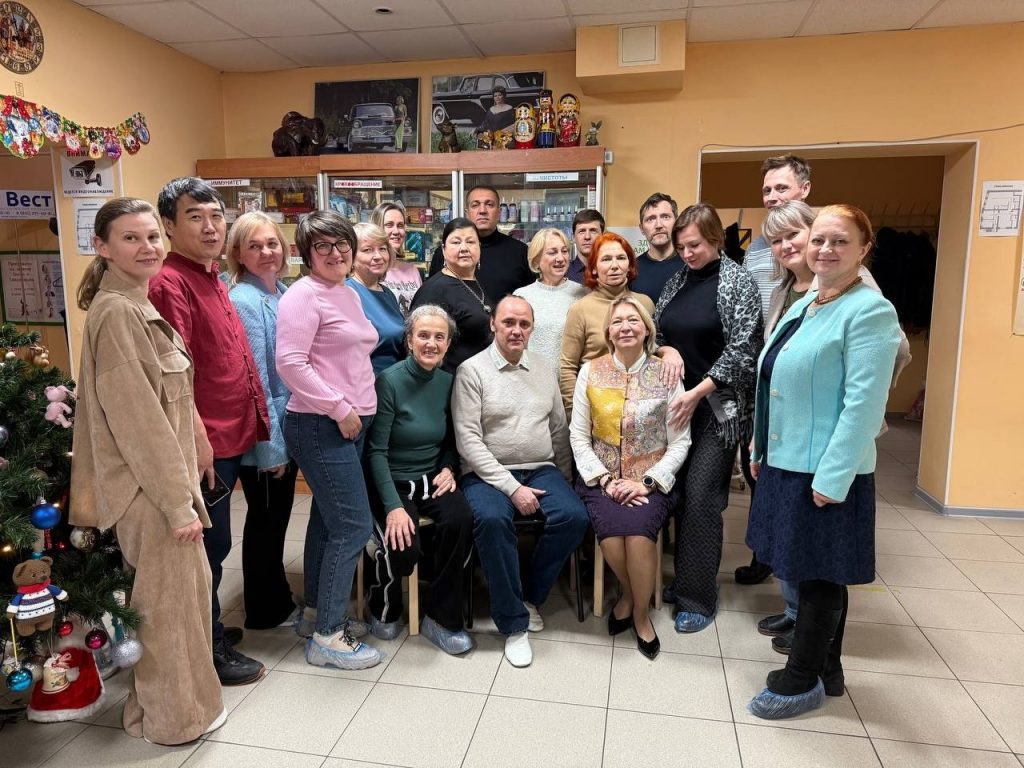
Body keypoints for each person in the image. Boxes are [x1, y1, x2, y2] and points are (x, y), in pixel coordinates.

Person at [70, 198, 226, 744]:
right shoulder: (117, 314)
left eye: (152, 237)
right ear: (103, 247)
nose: (147, 248)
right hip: (150, 493)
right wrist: (177, 505)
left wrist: (198, 449)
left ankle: (157, 711)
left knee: (180, 602)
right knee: (169, 614)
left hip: (166, 484)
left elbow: (170, 402)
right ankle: (174, 722)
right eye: (130, 238)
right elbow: (139, 422)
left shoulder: (136, 304)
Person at [745, 204, 902, 720]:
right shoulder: (808, 302)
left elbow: (864, 407)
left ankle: (801, 679)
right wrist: (760, 446)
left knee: (818, 577)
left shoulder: (869, 311)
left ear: (864, 249)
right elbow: (772, 379)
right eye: (819, 240)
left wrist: (834, 477)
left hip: (824, 469)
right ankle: (828, 670)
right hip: (786, 459)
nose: (825, 250)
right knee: (817, 570)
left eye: (840, 241)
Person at [149, 177, 269, 686]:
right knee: (208, 549)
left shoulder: (212, 276)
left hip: (230, 435)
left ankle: (209, 628)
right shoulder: (169, 283)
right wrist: (196, 439)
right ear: (169, 225)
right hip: (206, 442)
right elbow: (175, 375)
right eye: (194, 217)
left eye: (216, 216)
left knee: (217, 544)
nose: (210, 226)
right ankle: (208, 649)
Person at [453, 296, 589, 668]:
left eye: (524, 324)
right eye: (508, 322)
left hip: (540, 467)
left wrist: (564, 478)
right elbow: (468, 441)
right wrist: (512, 488)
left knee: (574, 516)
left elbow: (558, 429)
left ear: (532, 329)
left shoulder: (543, 369)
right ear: (493, 324)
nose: (516, 330)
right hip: (485, 472)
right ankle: (514, 625)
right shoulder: (471, 371)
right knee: (493, 520)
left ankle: (527, 595)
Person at [276, 210, 383, 670]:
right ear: (307, 254)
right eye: (323, 246)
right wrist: (339, 408)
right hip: (322, 424)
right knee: (354, 526)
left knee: (326, 520)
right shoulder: (303, 296)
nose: (336, 253)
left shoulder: (347, 292)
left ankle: (317, 613)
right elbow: (290, 363)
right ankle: (328, 637)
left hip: (349, 424)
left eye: (342, 244)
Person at [654, 203, 763, 634]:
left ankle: (698, 599)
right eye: (682, 246)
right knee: (680, 494)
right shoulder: (678, 280)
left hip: (718, 410)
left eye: (695, 245)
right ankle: (687, 579)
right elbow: (657, 331)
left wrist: (699, 391)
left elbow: (745, 348)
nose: (687, 253)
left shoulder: (738, 282)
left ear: (716, 238)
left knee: (702, 498)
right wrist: (668, 350)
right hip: (675, 408)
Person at [569, 296, 692, 659]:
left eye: (633, 320)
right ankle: (629, 593)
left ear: (647, 330)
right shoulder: (590, 371)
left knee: (638, 537)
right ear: (608, 332)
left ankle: (639, 613)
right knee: (611, 539)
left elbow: (680, 441)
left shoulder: (665, 373)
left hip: (650, 480)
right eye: (618, 321)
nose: (625, 327)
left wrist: (648, 482)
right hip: (601, 479)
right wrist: (606, 481)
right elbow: (578, 437)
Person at [365, 305, 474, 654]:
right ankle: (381, 605)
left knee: (461, 521)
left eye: (439, 337)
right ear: (409, 340)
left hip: (431, 478)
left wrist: (448, 468)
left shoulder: (448, 382)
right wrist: (393, 507)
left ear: (448, 344)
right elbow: (376, 452)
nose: (431, 343)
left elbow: (450, 440)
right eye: (423, 335)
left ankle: (440, 618)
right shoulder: (389, 381)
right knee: (403, 544)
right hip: (391, 480)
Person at [735, 156, 811, 587]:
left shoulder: (826, 253)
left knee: (795, 488)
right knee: (759, 470)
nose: (772, 196)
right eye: (767, 190)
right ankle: (766, 554)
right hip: (763, 372)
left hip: (801, 386)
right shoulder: (762, 250)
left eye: (781, 187)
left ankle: (790, 572)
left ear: (804, 189)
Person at [225, 211, 299, 631]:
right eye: (254, 246)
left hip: (285, 428)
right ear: (238, 253)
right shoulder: (244, 301)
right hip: (267, 437)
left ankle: (277, 596)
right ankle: (265, 609)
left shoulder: (280, 292)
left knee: (276, 519)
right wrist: (271, 449)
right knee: (266, 522)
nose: (266, 252)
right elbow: (257, 381)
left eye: (272, 244)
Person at [559, 232, 679, 421]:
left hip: (643, 411)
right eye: (606, 259)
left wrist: (670, 352)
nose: (614, 265)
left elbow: (653, 348)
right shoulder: (580, 310)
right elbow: (567, 367)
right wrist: (574, 414)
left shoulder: (645, 304)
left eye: (621, 258)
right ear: (594, 268)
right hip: (596, 412)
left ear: (629, 265)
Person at [412, 218, 494, 373]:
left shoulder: (476, 282)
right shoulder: (435, 290)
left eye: (470, 242)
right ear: (443, 250)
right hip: (450, 380)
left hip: (478, 380)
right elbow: (419, 348)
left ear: (479, 247)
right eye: (456, 242)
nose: (464, 248)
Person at [428, 185, 532, 301]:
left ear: (499, 212)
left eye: (489, 204)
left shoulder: (520, 252)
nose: (482, 211)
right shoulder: (446, 253)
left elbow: (531, 301)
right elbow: (432, 299)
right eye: (475, 205)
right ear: (467, 213)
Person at [513, 227, 587, 366]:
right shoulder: (522, 296)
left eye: (564, 251)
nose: (560, 258)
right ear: (536, 260)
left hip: (572, 377)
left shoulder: (582, 293)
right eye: (552, 252)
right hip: (533, 376)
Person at [349, 222, 405, 375]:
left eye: (382, 249)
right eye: (367, 250)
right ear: (351, 257)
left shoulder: (387, 293)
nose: (378, 256)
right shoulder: (347, 292)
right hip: (366, 382)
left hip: (393, 381)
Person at [372, 201, 422, 315]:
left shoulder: (412, 270)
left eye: (400, 225)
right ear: (377, 228)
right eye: (389, 225)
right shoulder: (371, 269)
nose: (396, 231)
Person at [631, 193, 681, 304]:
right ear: (642, 228)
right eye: (651, 219)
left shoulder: (690, 264)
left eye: (665, 217)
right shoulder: (632, 269)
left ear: (676, 222)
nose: (658, 225)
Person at [568, 208, 605, 285]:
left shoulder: (612, 271)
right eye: (582, 231)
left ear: (603, 236)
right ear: (573, 237)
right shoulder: (563, 274)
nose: (587, 237)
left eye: (593, 231)